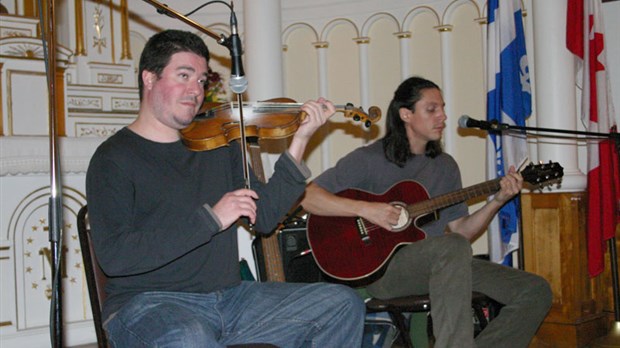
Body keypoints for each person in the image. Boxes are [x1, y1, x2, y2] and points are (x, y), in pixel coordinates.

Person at [86, 29, 365, 347]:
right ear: (149, 78)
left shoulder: (219, 145)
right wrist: (212, 219)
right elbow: (116, 257)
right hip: (148, 305)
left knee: (341, 305)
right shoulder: (114, 159)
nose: (196, 90)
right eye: (184, 75)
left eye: (202, 80)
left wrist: (300, 140)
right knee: (189, 336)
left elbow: (266, 216)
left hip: (230, 300)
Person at [301, 76, 552, 348]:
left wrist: (497, 200)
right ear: (406, 114)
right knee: (451, 248)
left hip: (441, 263)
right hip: (384, 271)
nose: (443, 116)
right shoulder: (370, 159)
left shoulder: (445, 167)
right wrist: (368, 210)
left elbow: (461, 232)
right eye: (432, 109)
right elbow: (308, 197)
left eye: (443, 108)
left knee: (534, 291)